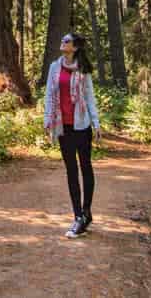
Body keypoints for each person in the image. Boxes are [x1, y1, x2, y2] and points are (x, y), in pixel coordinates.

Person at [43, 31, 102, 237]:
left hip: (81, 125)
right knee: (71, 171)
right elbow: (49, 95)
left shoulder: (83, 69)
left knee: (86, 167)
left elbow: (89, 97)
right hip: (63, 127)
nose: (62, 42)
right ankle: (78, 216)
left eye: (66, 41)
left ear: (74, 47)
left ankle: (87, 212)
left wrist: (96, 123)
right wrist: (48, 120)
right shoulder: (54, 67)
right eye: (62, 39)